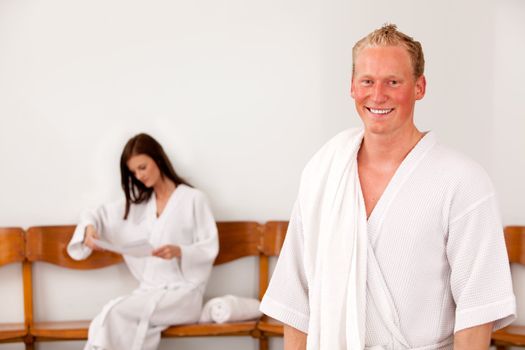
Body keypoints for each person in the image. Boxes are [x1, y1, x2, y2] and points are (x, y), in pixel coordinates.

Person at [260, 24, 516, 350]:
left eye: (393, 82)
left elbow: (477, 311)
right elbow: (295, 302)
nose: (377, 95)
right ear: (353, 87)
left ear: (419, 87)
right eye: (367, 81)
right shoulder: (323, 173)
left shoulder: (463, 180)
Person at [67, 133, 219, 350]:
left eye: (142, 167)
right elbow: (94, 214)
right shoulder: (139, 205)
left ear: (158, 159)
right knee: (110, 315)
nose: (138, 176)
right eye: (133, 172)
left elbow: (209, 246)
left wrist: (180, 251)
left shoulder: (194, 199)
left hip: (184, 296)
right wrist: (90, 229)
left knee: (115, 312)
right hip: (149, 292)